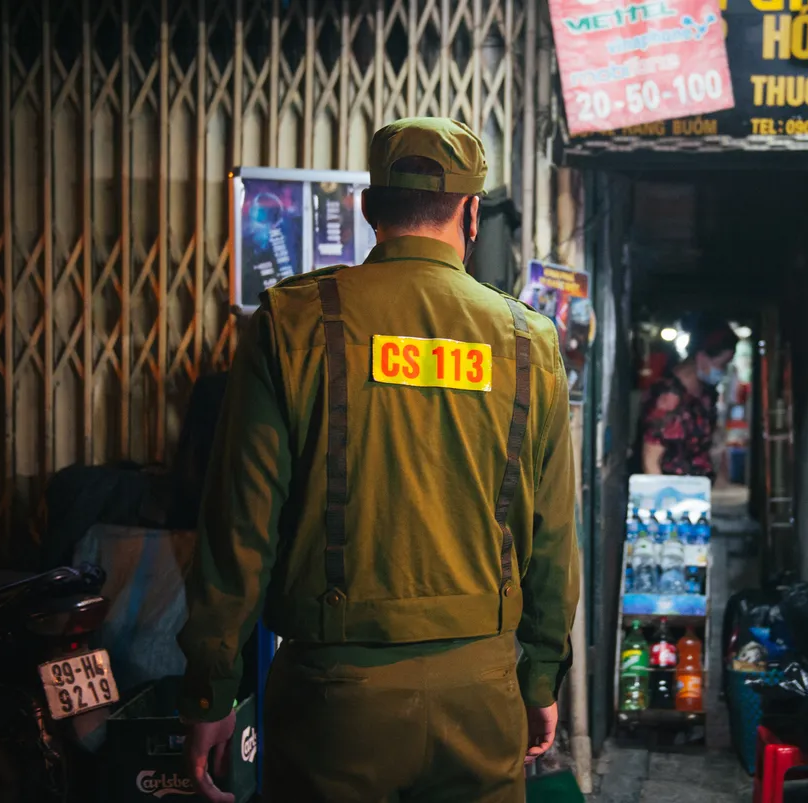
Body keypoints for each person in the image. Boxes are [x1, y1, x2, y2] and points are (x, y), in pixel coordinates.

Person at [177, 117, 580, 803]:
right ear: (473, 213)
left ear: (368, 206)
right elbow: (550, 538)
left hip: (335, 702)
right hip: (480, 695)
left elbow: (239, 527)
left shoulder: (291, 321)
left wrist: (212, 688)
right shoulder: (529, 342)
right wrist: (539, 677)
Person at [637, 317, 739, 480]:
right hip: (669, 495)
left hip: (696, 493)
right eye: (721, 364)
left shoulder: (706, 394)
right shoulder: (668, 397)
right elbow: (650, 462)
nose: (723, 371)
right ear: (701, 357)